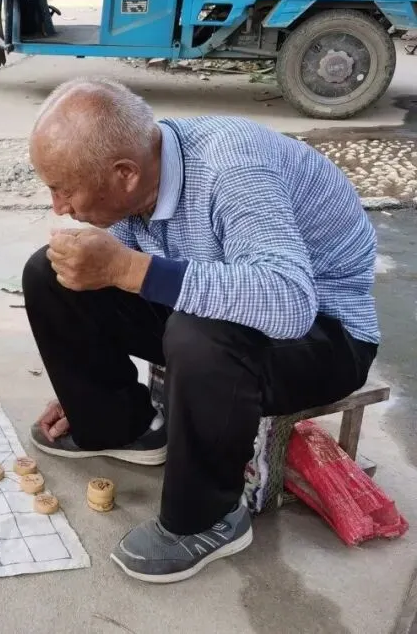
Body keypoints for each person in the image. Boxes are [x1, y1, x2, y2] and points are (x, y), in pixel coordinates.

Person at [21, 78, 378, 583]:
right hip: (222, 322)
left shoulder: (233, 169)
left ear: (125, 174)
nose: (58, 205)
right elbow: (146, 278)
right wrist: (85, 388)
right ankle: (120, 426)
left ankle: (208, 518)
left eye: (64, 189)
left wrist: (128, 269)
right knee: (52, 273)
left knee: (200, 333)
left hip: (325, 334)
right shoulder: (143, 169)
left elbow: (290, 303)